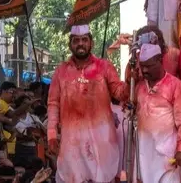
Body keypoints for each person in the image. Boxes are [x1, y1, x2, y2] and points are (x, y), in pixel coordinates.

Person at [47, 24, 127, 183]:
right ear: (70, 44)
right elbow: (53, 103)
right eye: (76, 40)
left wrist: (131, 78)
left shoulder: (104, 67)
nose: (80, 44)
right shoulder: (61, 71)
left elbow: (120, 93)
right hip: (72, 144)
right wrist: (51, 133)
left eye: (84, 39)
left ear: (91, 42)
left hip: (101, 143)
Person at [134, 43, 181, 183]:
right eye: (142, 66)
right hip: (144, 153)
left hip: (167, 156)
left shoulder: (176, 86)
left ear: (160, 61)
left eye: (149, 66)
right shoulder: (139, 86)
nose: (145, 70)